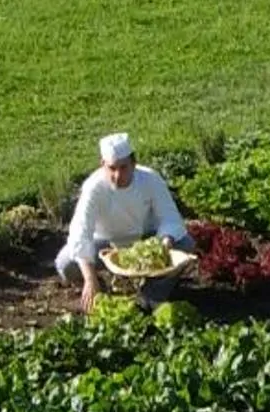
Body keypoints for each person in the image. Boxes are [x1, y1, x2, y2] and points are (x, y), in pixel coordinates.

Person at [55, 132, 194, 312]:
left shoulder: (151, 179)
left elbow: (170, 218)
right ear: (102, 165)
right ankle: (100, 291)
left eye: (124, 167)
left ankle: (150, 295)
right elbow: (80, 232)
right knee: (66, 264)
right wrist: (90, 279)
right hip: (105, 242)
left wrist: (164, 245)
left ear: (134, 164)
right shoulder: (93, 188)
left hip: (146, 238)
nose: (118, 175)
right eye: (112, 168)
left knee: (185, 244)